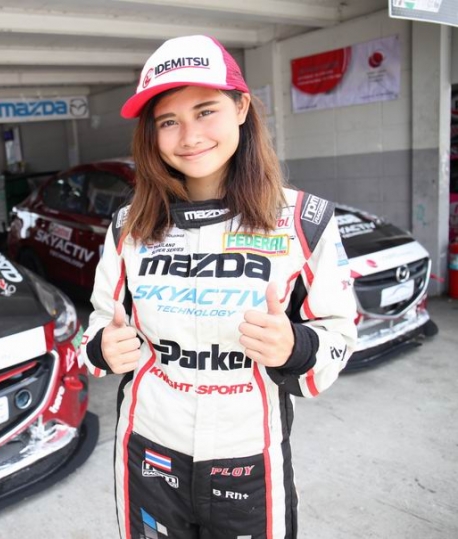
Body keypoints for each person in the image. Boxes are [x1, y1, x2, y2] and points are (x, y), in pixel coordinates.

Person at [78, 35, 357, 539]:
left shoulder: (303, 219)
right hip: (148, 450)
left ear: (241, 108)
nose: (189, 136)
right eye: (168, 121)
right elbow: (97, 324)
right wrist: (102, 347)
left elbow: (339, 334)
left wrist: (295, 347)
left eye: (206, 111)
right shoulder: (128, 226)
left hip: (249, 456)